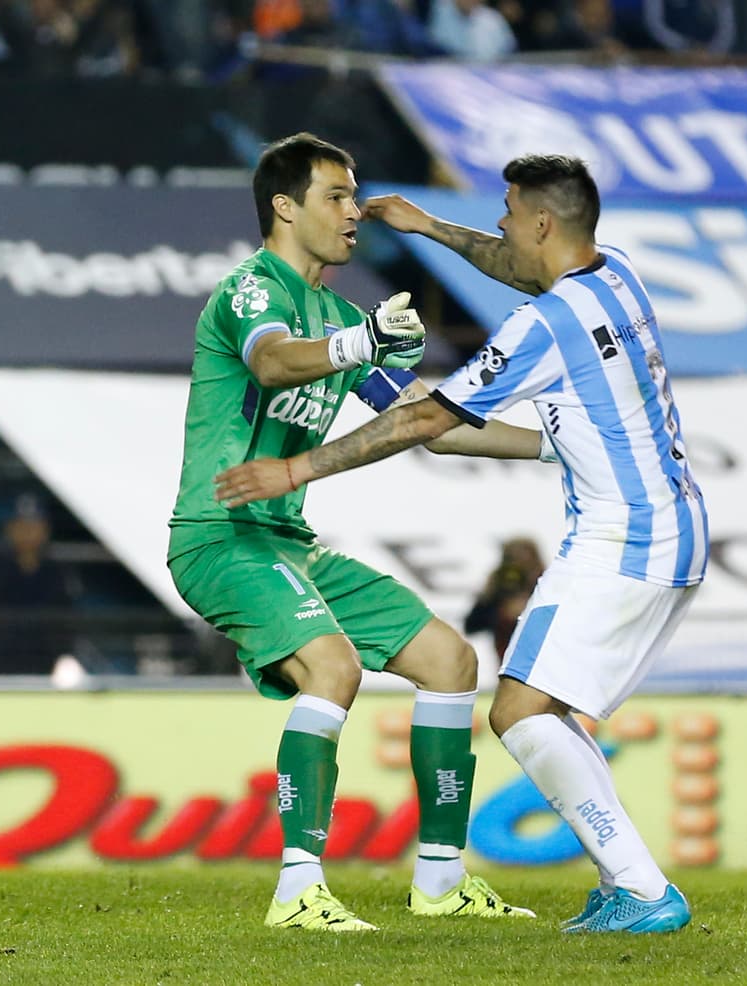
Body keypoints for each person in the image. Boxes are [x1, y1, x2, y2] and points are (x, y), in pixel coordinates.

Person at [215, 153, 707, 934]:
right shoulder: (617, 275)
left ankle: (642, 889)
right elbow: (521, 270)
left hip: (623, 537)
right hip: (674, 526)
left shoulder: (544, 323)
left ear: (542, 223)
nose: (501, 227)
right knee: (541, 709)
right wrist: (430, 229)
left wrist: (297, 467)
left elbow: (424, 421)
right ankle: (619, 884)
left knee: (516, 711)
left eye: (508, 213)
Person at [167, 132, 548, 933]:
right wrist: (362, 342)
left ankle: (441, 881)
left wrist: (558, 444)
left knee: (451, 661)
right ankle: (297, 890)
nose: (352, 211)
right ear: (284, 205)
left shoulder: (340, 314)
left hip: (288, 540)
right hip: (221, 534)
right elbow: (272, 364)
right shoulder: (250, 290)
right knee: (332, 668)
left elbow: (429, 425)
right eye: (335, 196)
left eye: (353, 195)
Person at [0, 494, 79, 675]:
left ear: (45, 530)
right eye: (22, 526)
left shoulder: (56, 570)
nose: (28, 532)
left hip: (42, 665)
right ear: (10, 528)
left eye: (34, 526)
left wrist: (59, 652)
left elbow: (68, 617)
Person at [464, 536, 545, 661]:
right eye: (512, 559)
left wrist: (529, 609)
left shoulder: (550, 588)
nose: (519, 567)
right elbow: (471, 626)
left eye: (525, 560)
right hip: (508, 668)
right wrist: (489, 597)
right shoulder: (500, 590)